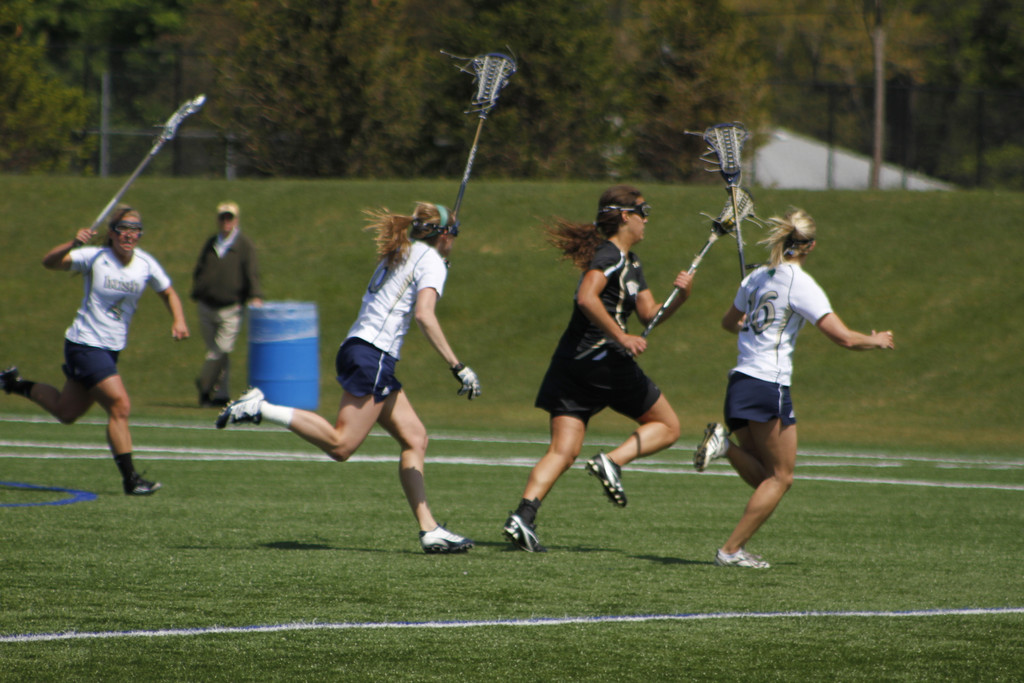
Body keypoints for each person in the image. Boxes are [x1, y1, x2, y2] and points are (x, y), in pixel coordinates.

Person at [215, 202, 480, 554]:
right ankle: (261, 408)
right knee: (342, 445)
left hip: (359, 347)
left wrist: (436, 264)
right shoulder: (428, 260)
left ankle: (429, 529)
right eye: (454, 235)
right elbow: (424, 316)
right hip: (374, 354)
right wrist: (457, 365)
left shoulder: (403, 251)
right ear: (443, 235)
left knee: (415, 438)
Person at [693, 208, 895, 569]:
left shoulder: (755, 277)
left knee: (766, 476)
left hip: (739, 383)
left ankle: (724, 446)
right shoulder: (799, 283)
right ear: (810, 246)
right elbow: (844, 339)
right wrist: (875, 339)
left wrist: (749, 322)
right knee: (782, 477)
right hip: (768, 384)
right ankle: (730, 551)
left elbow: (728, 323)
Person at [503, 184, 694, 552]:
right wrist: (621, 338)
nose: (646, 220)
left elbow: (649, 315)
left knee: (563, 450)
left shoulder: (630, 261)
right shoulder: (611, 255)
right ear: (625, 216)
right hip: (603, 361)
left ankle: (522, 518)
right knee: (668, 427)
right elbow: (586, 297)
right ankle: (612, 460)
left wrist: (681, 297)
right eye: (643, 211)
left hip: (570, 365)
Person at [1, 205, 190, 495]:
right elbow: (49, 262)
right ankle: (131, 479)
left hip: (110, 349)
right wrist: (73, 243)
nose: (129, 234)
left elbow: (168, 291)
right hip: (85, 344)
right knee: (120, 405)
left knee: (67, 412)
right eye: (123, 228)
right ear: (112, 233)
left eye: (135, 229)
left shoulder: (145, 264)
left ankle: (14, 383)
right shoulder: (94, 257)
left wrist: (178, 319)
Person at [191, 201, 263, 407]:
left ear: (236, 220)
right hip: (206, 306)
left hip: (231, 308)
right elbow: (200, 269)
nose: (225, 221)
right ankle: (217, 395)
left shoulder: (244, 245)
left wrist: (255, 295)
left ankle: (204, 383)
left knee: (221, 351)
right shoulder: (211, 242)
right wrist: (198, 289)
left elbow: (252, 272)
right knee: (218, 354)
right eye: (222, 217)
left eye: (229, 217)